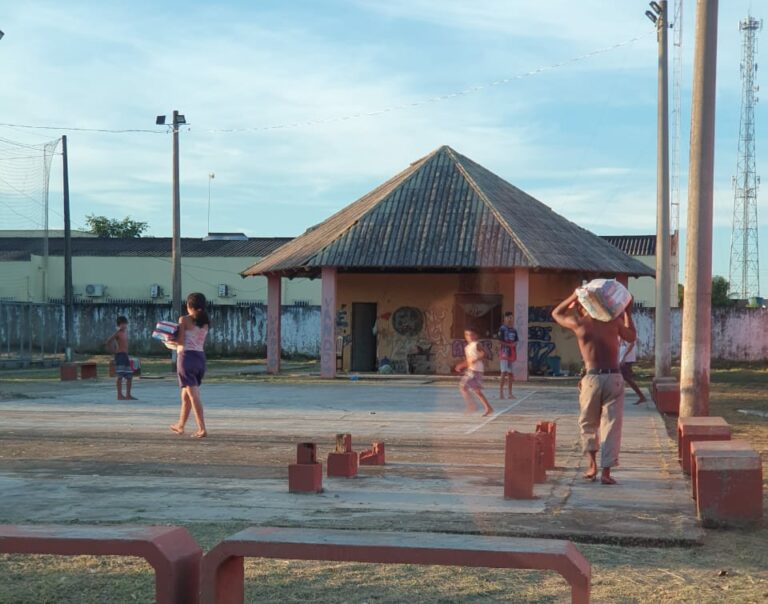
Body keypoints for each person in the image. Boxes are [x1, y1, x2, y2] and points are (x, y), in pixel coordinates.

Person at [551, 291, 636, 485]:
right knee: (611, 425)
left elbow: (556, 313)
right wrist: (627, 312)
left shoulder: (580, 324)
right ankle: (606, 472)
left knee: (588, 424)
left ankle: (591, 466)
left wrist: (574, 295)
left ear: (583, 307)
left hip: (592, 378)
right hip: (614, 377)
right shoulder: (613, 322)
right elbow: (631, 337)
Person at [167, 293, 210, 438]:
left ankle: (202, 429)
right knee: (185, 396)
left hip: (186, 358)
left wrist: (167, 341)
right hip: (200, 358)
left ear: (189, 306)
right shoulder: (205, 321)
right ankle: (180, 425)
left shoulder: (184, 319)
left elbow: (180, 341)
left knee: (193, 396)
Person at [455, 328, 494, 417]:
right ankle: (488, 408)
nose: (469, 336)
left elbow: (484, 354)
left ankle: (472, 406)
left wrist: (476, 359)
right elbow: (469, 361)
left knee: (463, 386)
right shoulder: (467, 347)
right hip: (471, 370)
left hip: (476, 370)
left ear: (475, 336)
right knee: (477, 391)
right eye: (467, 335)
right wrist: (461, 365)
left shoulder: (476, 344)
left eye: (471, 335)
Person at [105, 316, 136, 400]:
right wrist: (113, 351)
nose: (124, 325)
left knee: (129, 376)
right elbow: (108, 341)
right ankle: (119, 395)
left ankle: (128, 395)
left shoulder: (124, 333)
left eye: (125, 324)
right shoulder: (117, 333)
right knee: (120, 376)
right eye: (122, 324)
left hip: (125, 356)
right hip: (120, 356)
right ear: (119, 325)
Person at [497, 312, 518, 399]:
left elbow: (516, 341)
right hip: (504, 353)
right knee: (504, 372)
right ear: (505, 319)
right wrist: (509, 345)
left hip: (511, 354)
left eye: (511, 318)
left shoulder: (514, 330)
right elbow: (499, 341)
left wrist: (514, 345)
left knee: (510, 374)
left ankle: (510, 393)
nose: (510, 319)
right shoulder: (502, 329)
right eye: (508, 317)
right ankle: (501, 393)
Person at [619, 338, 646, 404]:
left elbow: (631, 344)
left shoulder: (628, 334)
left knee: (627, 378)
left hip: (627, 359)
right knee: (620, 377)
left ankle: (641, 396)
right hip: (622, 359)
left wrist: (624, 356)